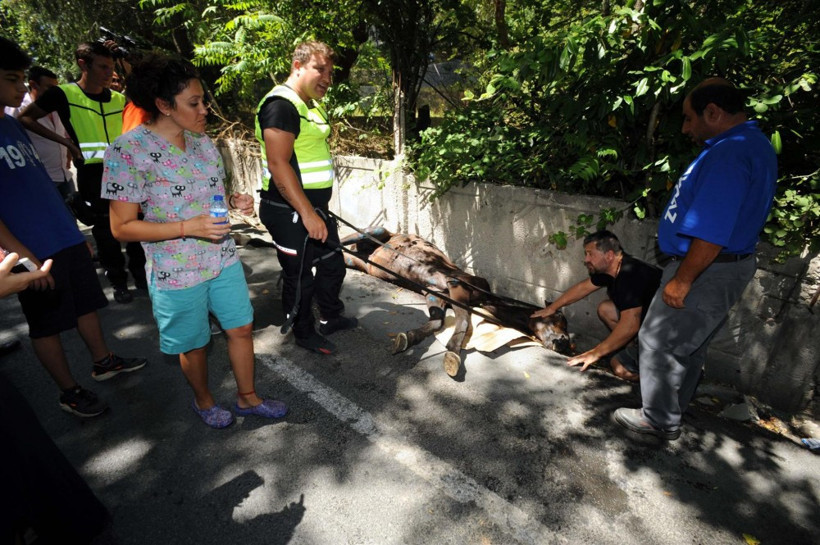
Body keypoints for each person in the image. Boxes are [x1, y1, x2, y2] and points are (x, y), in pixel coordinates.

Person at [102, 54, 287, 428]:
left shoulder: (203, 144)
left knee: (241, 327)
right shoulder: (127, 151)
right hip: (175, 270)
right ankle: (204, 402)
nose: (205, 109)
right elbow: (122, 228)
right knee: (194, 344)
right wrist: (188, 227)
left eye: (203, 101)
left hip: (222, 258)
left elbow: (213, 195)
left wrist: (235, 201)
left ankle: (248, 397)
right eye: (194, 103)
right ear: (163, 106)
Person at [614, 78, 778, 440]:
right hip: (720, 266)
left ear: (713, 112)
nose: (686, 128)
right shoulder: (750, 145)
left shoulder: (731, 152)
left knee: (658, 340)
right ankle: (672, 409)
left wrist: (682, 279)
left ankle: (657, 420)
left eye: (689, 119)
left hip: (706, 266)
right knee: (688, 345)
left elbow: (712, 229)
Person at [0, 36, 147, 418]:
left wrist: (71, 233)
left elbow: (40, 188)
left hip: (62, 237)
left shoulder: (11, 127)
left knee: (86, 302)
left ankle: (104, 361)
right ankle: (69, 391)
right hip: (30, 251)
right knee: (46, 324)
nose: (22, 87)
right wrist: (26, 257)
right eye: (13, 79)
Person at [18, 41, 146, 304]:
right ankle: (118, 282)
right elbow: (26, 118)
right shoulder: (63, 95)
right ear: (82, 64)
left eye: (111, 67)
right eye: (102, 67)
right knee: (105, 232)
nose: (108, 73)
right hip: (92, 174)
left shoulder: (120, 99)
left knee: (136, 225)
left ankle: (141, 275)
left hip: (127, 171)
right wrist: (65, 142)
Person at [255, 41, 357, 355]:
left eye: (330, 71)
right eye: (319, 69)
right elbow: (278, 164)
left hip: (313, 208)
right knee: (299, 276)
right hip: (288, 210)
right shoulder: (281, 105)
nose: (327, 77)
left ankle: (329, 315)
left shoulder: (308, 103)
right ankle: (303, 332)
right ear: (297, 66)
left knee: (332, 265)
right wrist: (307, 214)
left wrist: (316, 211)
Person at [532, 230, 661, 381]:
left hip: (665, 331)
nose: (586, 259)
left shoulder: (630, 275)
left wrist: (594, 353)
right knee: (605, 309)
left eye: (590, 254)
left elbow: (630, 325)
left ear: (609, 255)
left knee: (619, 367)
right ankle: (634, 349)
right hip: (647, 322)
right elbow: (582, 288)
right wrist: (552, 307)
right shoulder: (612, 268)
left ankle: (660, 378)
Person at [6, 66, 76, 201]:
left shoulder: (56, 106)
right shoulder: (18, 108)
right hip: (40, 179)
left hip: (64, 176)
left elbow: (65, 134)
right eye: (49, 87)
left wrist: (67, 152)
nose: (53, 93)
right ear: (33, 85)